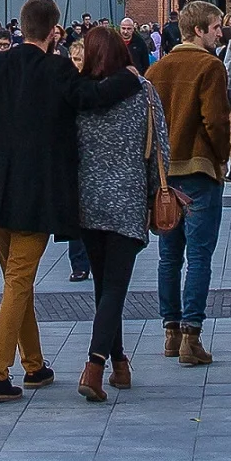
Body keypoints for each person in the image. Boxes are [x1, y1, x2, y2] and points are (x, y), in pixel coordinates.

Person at [0, 0, 96, 401]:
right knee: (19, 282)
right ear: (54, 31)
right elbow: (89, 99)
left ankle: (34, 365)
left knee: (16, 282)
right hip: (37, 194)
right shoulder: (58, 70)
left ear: (21, 26)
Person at [63, 25, 163, 401]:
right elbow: (158, 147)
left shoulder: (77, 97)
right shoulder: (143, 93)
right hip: (128, 198)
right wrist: (157, 191)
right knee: (116, 286)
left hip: (88, 200)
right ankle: (95, 364)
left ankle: (119, 362)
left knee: (104, 285)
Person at [147, 6, 231, 365]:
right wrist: (221, 157)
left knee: (168, 256)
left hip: (166, 176)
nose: (221, 34)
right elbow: (215, 120)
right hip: (199, 170)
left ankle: (169, 332)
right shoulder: (210, 66)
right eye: (216, 28)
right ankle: (191, 335)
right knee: (199, 256)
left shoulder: (157, 68)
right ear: (199, 30)